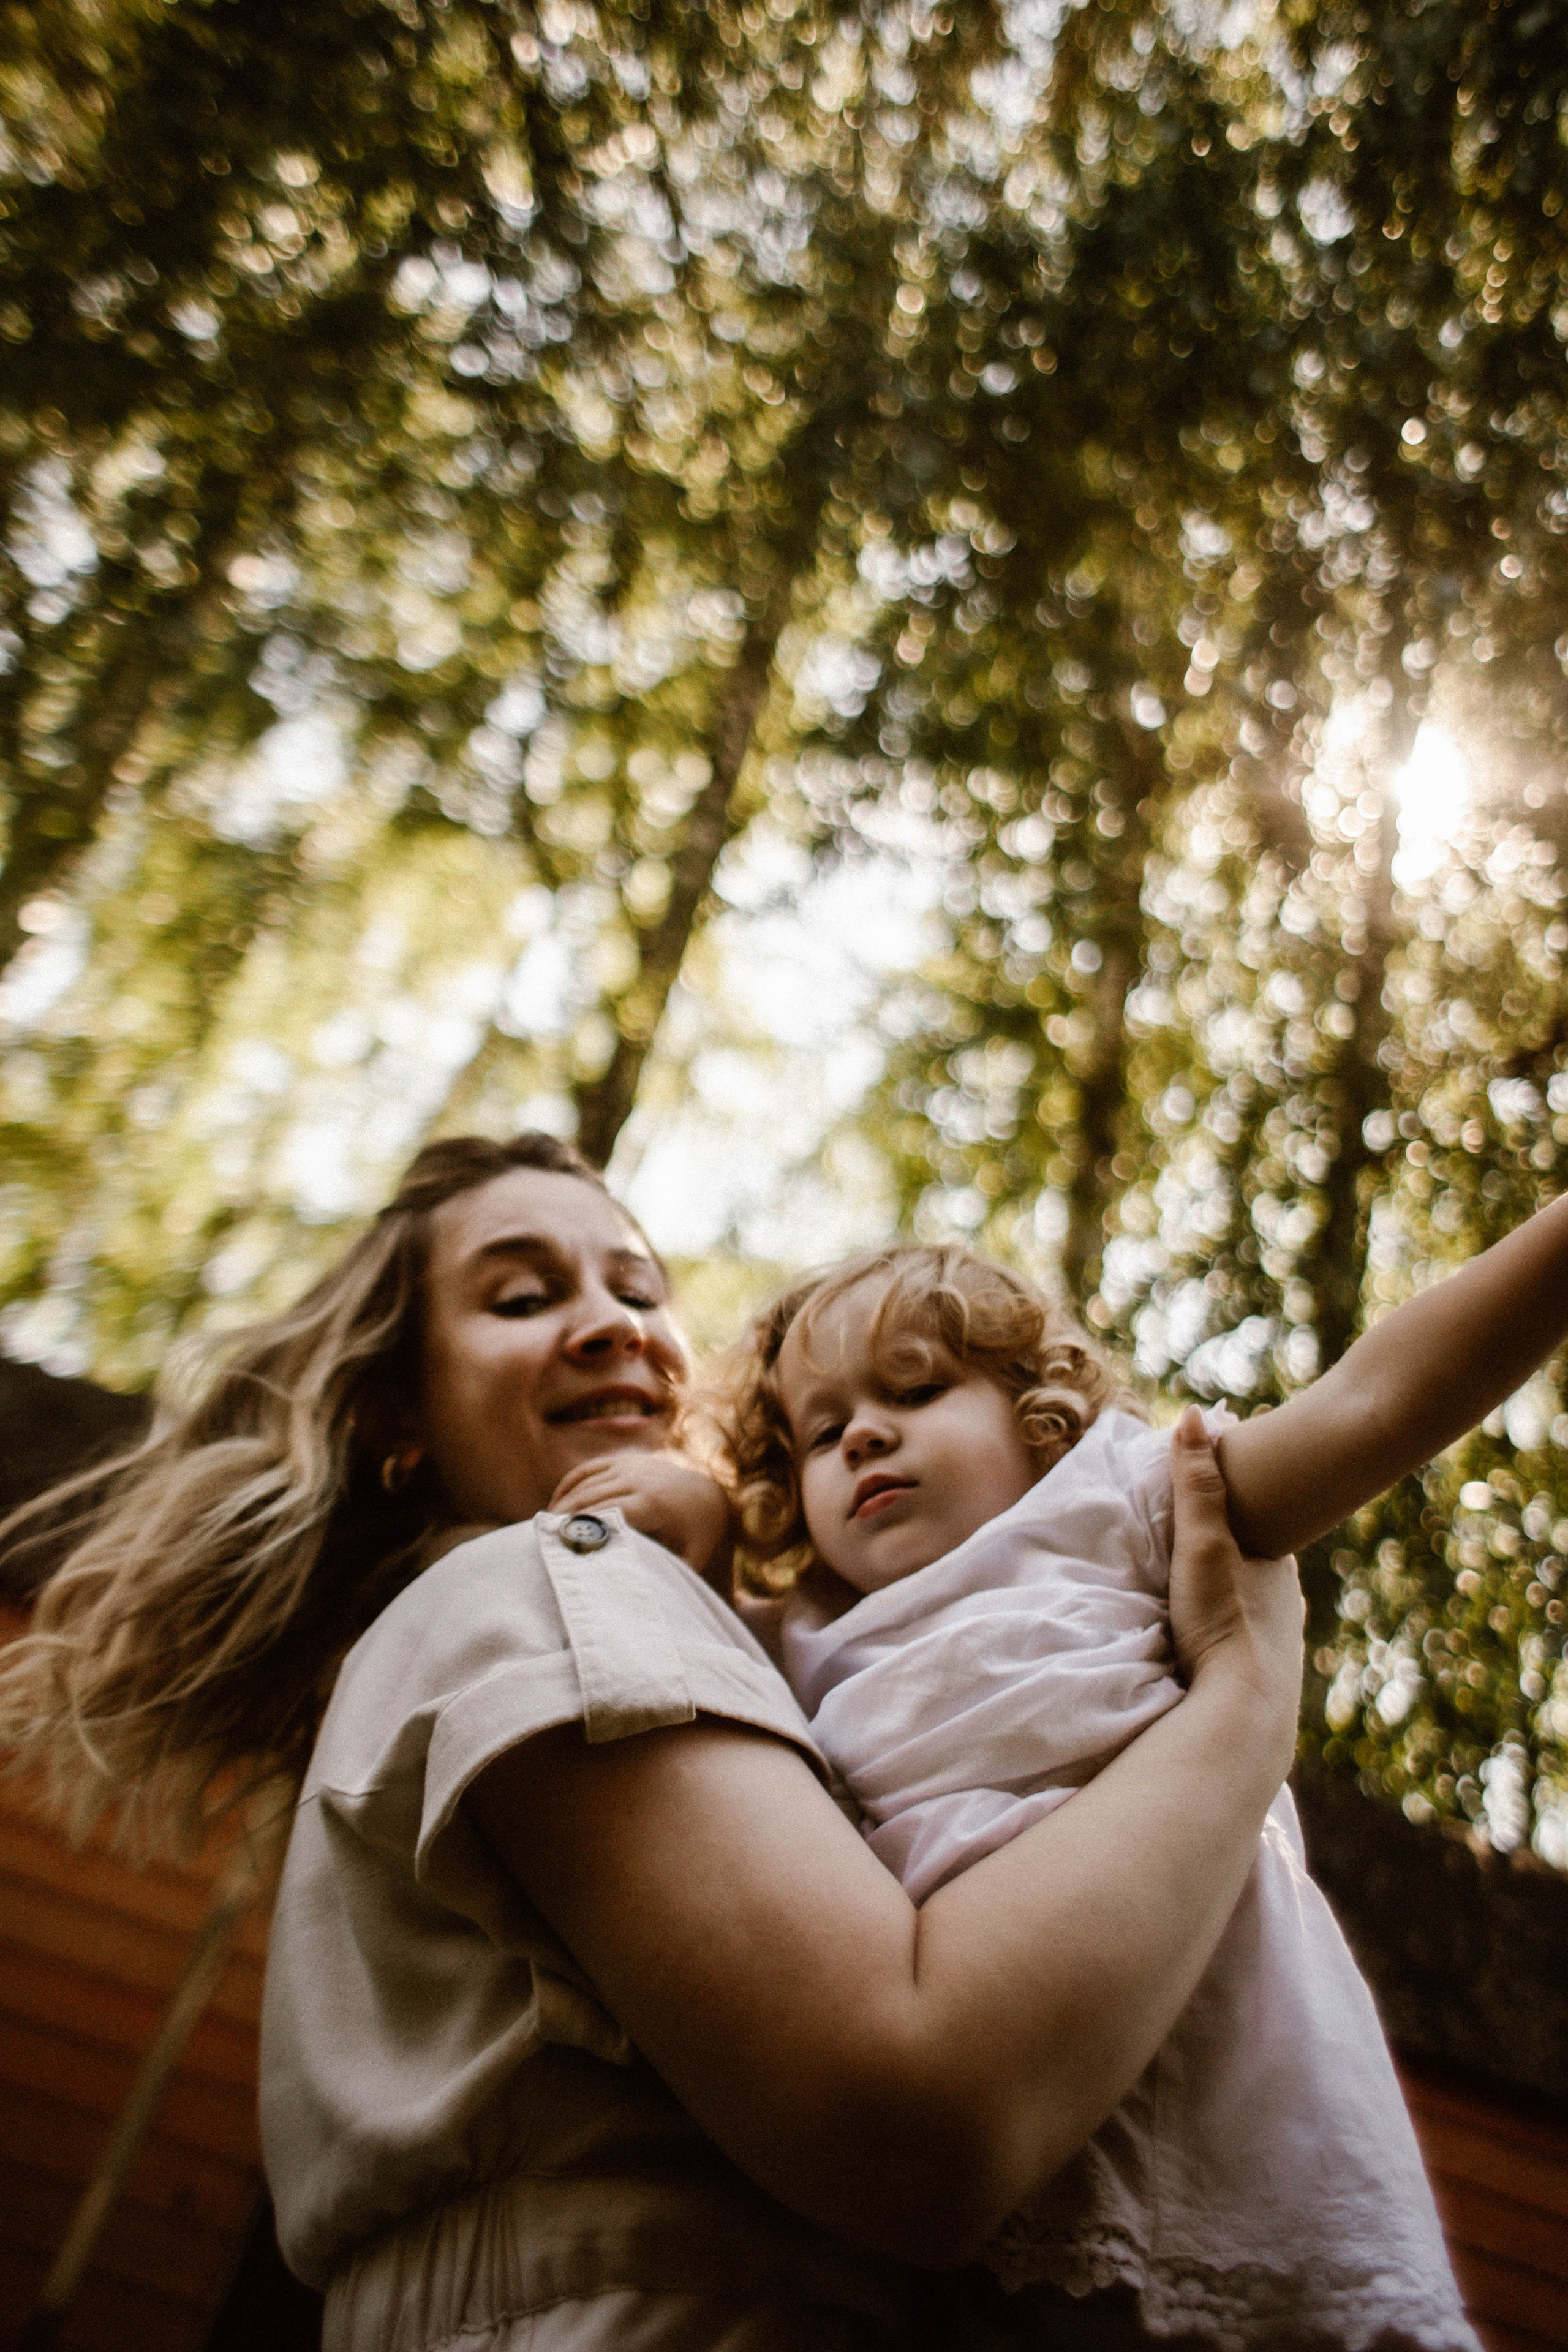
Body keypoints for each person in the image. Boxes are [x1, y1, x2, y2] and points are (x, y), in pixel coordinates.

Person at [0, 1133, 1306, 2352]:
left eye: (638, 1289)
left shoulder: (684, 1631)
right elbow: (916, 2129)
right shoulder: (542, 1582)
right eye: (522, 1298)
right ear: (399, 1420)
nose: (615, 1323)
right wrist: (1243, 1698)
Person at [698, 1223, 1568, 2352]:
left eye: (915, 1389)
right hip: (991, 2114)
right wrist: (689, 1511)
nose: (863, 1432)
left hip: (1213, 2083)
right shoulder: (795, 1635)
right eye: (821, 1433)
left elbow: (1375, 1400)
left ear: (1038, 1414)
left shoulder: (1126, 1500)